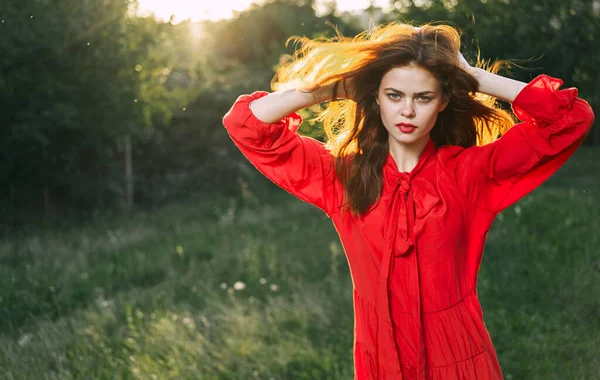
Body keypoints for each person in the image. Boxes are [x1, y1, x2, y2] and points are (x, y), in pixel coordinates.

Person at [221, 22, 595, 380]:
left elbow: (570, 118)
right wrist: (328, 90)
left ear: (443, 102)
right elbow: (246, 125)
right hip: (379, 357)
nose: (408, 111)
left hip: (458, 358)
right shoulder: (342, 178)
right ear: (377, 99)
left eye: (424, 97)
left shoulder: (470, 174)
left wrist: (473, 78)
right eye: (394, 95)